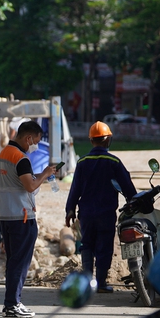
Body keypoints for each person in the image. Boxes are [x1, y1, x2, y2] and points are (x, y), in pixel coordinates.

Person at [65, 121, 137, 293]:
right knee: (104, 247)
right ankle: (101, 284)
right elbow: (127, 187)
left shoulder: (82, 162)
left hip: (87, 214)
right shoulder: (114, 162)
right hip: (106, 214)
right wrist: (133, 202)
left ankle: (88, 283)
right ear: (107, 140)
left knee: (87, 244)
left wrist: (70, 210)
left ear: (91, 141)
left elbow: (75, 189)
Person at [0, 120, 59, 318]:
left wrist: (39, 176)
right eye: (36, 142)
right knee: (19, 263)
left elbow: (23, 181)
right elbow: (30, 187)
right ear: (28, 138)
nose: (36, 146)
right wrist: (47, 173)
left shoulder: (4, 153)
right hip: (22, 217)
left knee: (13, 261)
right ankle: (13, 303)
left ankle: (11, 302)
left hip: (6, 215)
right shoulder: (21, 159)